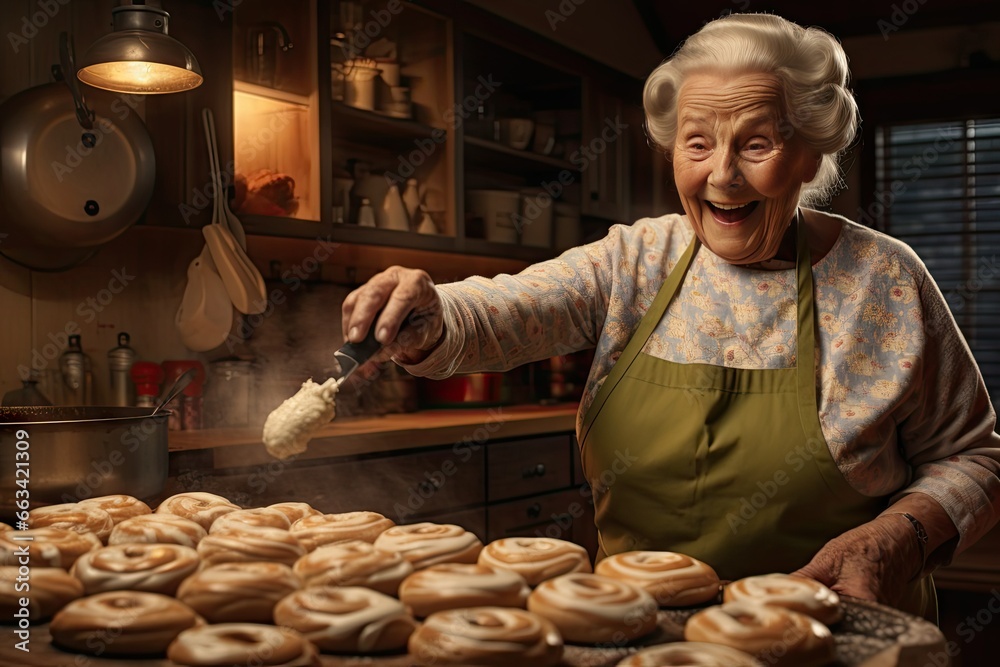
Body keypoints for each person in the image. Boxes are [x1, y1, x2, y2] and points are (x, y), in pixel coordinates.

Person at [341, 13, 1000, 621]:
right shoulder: (634, 261)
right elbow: (510, 307)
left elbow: (975, 457)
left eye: (756, 144)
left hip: (839, 638)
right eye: (697, 143)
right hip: (643, 641)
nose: (723, 175)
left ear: (809, 153)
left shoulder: (884, 279)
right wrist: (434, 311)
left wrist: (894, 541)